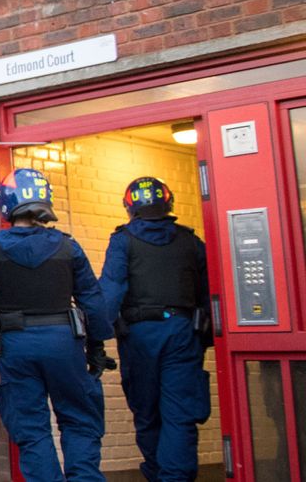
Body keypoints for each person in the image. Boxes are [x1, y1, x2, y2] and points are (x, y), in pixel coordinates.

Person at [0, 168, 115, 482]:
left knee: (31, 429)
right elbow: (92, 300)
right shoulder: (69, 247)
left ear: (6, 205)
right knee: (80, 419)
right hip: (65, 343)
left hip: (16, 344)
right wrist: (96, 346)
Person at [100, 176, 211, 482]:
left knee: (147, 412)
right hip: (182, 332)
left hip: (139, 336)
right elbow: (209, 293)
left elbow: (110, 291)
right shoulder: (191, 241)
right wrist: (205, 337)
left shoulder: (122, 241)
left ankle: (158, 473)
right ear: (169, 202)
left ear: (129, 207)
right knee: (180, 414)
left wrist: (95, 338)